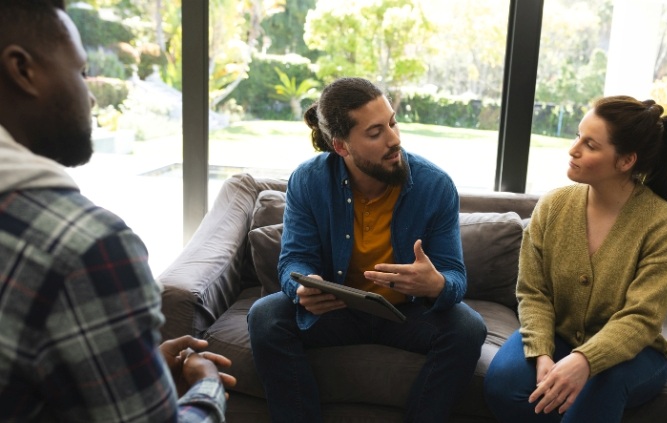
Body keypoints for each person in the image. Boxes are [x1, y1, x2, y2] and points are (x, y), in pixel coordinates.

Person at [0, 1, 236, 421]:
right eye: (80, 71)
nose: (89, 94)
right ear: (22, 69)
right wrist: (206, 387)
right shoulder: (87, 247)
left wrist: (134, 369)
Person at [247, 77, 487, 422]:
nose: (394, 139)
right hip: (337, 309)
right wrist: (301, 286)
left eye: (392, 122)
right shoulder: (309, 180)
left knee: (468, 328)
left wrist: (436, 285)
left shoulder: (435, 186)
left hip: (407, 314)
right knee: (265, 316)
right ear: (342, 146)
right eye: (375, 133)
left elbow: (454, 275)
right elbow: (293, 259)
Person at [484, 95, 667, 422]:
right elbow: (533, 291)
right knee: (503, 384)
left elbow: (642, 318)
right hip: (560, 335)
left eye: (590, 144)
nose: (573, 149)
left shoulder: (665, 225)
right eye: (578, 136)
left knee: (596, 389)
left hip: (635, 354)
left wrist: (584, 361)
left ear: (625, 161)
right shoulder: (553, 205)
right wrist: (542, 351)